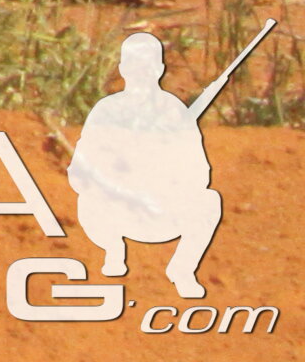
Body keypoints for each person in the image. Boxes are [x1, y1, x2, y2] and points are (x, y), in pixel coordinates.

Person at [69, 30, 236, 300]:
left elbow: (199, 173)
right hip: (114, 210)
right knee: (88, 200)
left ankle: (182, 270)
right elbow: (79, 171)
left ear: (159, 68)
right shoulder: (106, 110)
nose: (141, 72)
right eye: (134, 65)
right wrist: (118, 177)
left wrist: (166, 174)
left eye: (147, 65)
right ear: (123, 68)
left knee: (209, 201)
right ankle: (113, 252)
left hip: (161, 211)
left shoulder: (174, 111)